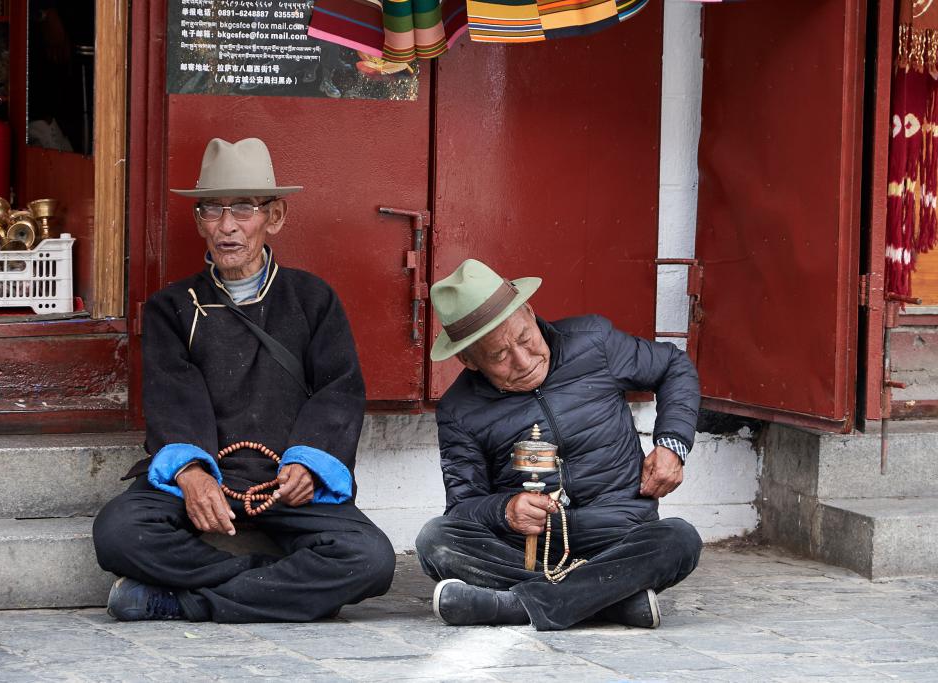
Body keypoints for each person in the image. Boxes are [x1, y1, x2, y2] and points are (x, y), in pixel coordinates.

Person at [92, 137, 395, 622]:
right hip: (209, 476)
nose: (227, 227)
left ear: (274, 217)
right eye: (212, 211)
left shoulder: (312, 299)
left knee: (372, 561)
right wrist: (190, 473)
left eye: (244, 209)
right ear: (199, 222)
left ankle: (180, 602)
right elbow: (173, 399)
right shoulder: (173, 307)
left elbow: (339, 392)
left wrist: (311, 465)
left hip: (285, 481)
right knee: (119, 532)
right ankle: (268, 580)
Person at [416, 259, 702, 631]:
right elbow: (463, 507)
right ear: (467, 360)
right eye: (499, 356)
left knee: (679, 539)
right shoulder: (459, 410)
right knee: (435, 540)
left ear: (530, 312)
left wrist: (672, 445)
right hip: (529, 551)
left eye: (524, 338)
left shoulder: (594, 342)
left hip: (620, 535)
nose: (523, 360)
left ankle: (515, 606)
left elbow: (674, 367)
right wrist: (506, 510)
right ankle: (608, 601)